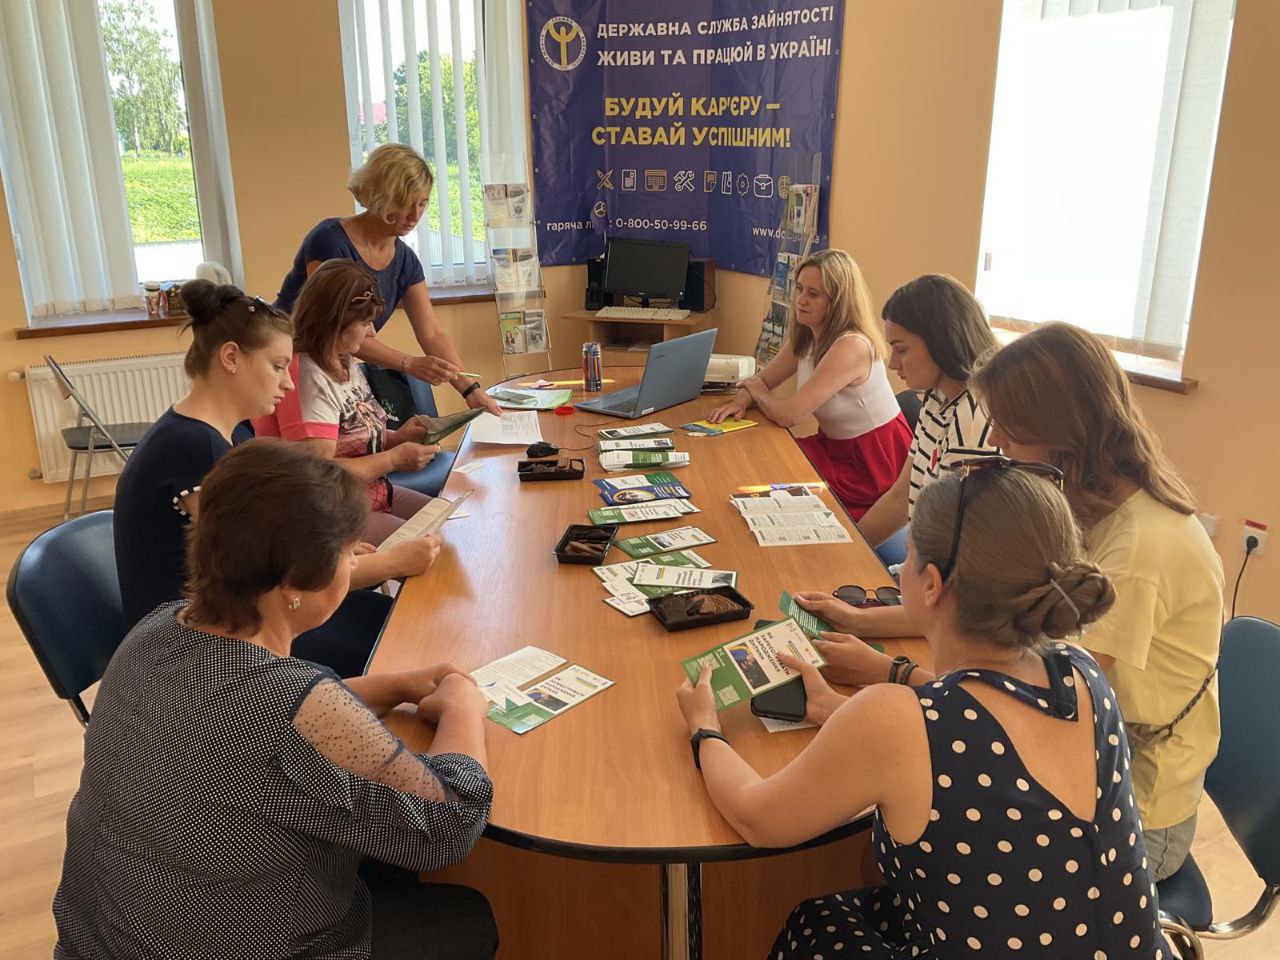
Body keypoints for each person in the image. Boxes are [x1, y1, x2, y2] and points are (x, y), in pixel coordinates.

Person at [677, 462, 1173, 959]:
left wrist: (704, 726)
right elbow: (986, 720)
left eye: (908, 555)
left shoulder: (895, 721)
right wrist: (871, 690)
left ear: (931, 583)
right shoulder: (1081, 671)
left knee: (816, 926)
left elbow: (759, 820)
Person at [58, 440, 496, 960]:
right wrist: (464, 709)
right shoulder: (285, 702)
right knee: (471, 915)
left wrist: (394, 685)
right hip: (231, 946)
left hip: (101, 939)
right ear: (292, 585)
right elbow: (449, 827)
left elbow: (263, 726)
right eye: (347, 553)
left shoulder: (155, 629)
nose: (356, 561)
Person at [970, 322, 1223, 881]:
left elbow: (1053, 699)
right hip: (1097, 770)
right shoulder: (1096, 510)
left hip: (1140, 817)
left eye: (1007, 424)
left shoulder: (1139, 548)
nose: (995, 440)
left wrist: (902, 676)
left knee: (954, 845)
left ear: (1060, 429)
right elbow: (1010, 614)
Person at [114, 279, 439, 676]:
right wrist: (390, 563)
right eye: (277, 366)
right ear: (231, 357)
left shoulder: (217, 434)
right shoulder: (192, 448)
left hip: (230, 622)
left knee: (395, 621)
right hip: (194, 649)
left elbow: (271, 545)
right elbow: (268, 577)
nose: (288, 382)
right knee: (400, 636)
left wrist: (336, 552)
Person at [789, 274, 1001, 636]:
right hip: (919, 579)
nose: (892, 364)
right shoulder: (937, 397)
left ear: (942, 343)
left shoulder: (974, 420)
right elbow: (900, 496)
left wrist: (859, 620)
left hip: (950, 610)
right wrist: (845, 557)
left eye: (901, 349)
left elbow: (958, 595)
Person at [275, 143, 501, 417]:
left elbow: (431, 333)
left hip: (332, 368)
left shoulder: (405, 260)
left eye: (423, 203)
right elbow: (334, 327)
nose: (415, 215)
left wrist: (469, 389)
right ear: (382, 196)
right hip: (290, 366)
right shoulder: (328, 241)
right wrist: (409, 363)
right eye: (406, 204)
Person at [707, 249, 911, 519]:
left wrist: (759, 394)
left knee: (770, 480)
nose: (801, 300)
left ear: (838, 301)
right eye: (799, 289)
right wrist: (741, 401)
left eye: (814, 294)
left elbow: (790, 415)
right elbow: (761, 380)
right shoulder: (806, 335)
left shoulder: (851, 346)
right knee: (758, 461)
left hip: (873, 464)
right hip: (836, 448)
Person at [255, 259, 440, 544]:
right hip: (328, 516)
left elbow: (349, 437)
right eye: (365, 323)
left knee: (453, 522)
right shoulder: (305, 373)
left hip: (369, 496)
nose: (372, 333)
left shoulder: (342, 358)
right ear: (336, 322)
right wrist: (393, 459)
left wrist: (396, 438)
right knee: (434, 545)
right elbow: (318, 471)